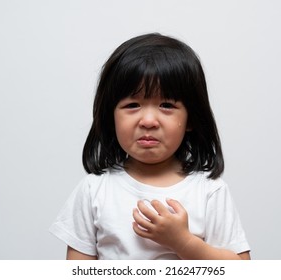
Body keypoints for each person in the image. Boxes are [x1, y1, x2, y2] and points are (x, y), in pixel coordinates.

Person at [49, 33, 251, 260]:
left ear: (191, 118)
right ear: (110, 117)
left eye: (166, 105)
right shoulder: (93, 191)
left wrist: (182, 241)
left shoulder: (209, 192)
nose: (148, 121)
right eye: (132, 105)